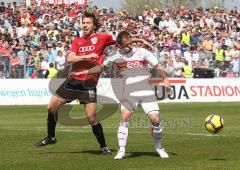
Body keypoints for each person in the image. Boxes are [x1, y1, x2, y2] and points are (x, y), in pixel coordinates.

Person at [72, 31, 171, 159]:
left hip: (145, 90)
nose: (127, 47)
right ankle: (122, 150)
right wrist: (86, 72)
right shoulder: (116, 56)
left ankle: (158, 147)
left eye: (128, 44)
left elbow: (158, 66)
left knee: (155, 120)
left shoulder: (142, 52)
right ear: (119, 44)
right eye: (124, 45)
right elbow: (101, 67)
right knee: (124, 117)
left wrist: (166, 79)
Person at [35, 11, 115, 155]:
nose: (84, 25)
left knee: (91, 117)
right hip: (73, 81)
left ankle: (104, 147)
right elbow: (70, 58)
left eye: (88, 23)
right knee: (51, 107)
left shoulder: (103, 38)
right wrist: (87, 55)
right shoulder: (78, 41)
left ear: (94, 25)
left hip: (88, 83)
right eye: (83, 23)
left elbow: (121, 41)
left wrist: (136, 44)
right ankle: (51, 137)